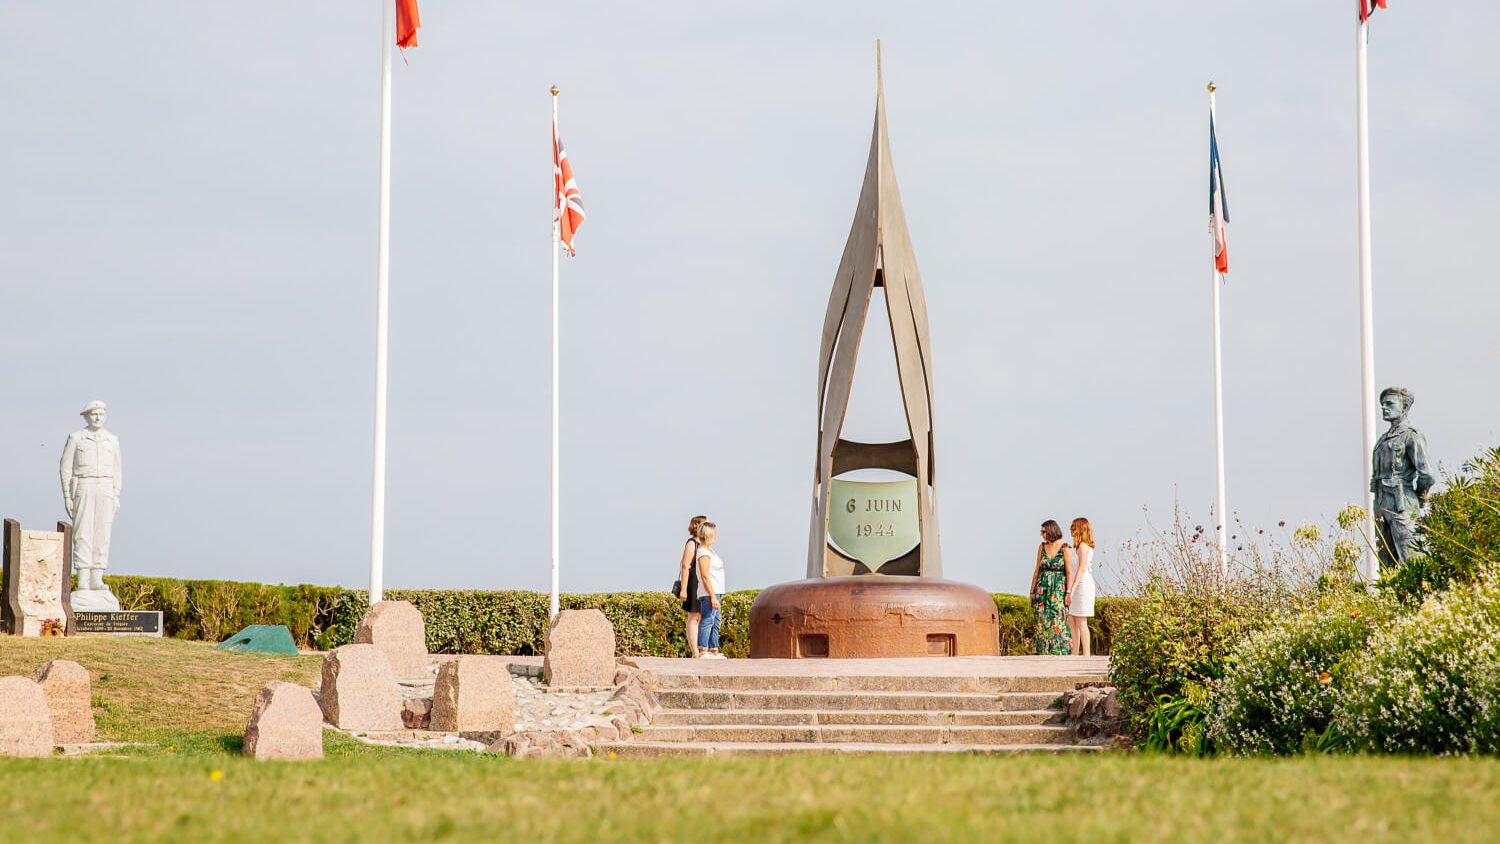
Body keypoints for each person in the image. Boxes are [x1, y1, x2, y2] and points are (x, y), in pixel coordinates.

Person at [1028, 520, 1074, 656]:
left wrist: (1068, 592)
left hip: (1058, 589)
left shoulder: (1065, 548)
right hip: (1042, 589)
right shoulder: (1042, 547)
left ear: (1051, 530)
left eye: (1044, 532)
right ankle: (1043, 651)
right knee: (1042, 619)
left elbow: (1069, 572)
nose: (1042, 535)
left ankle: (1060, 651)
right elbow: (1037, 569)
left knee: (1058, 618)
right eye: (1041, 532)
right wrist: (1031, 591)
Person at [695, 520, 727, 659]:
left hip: (717, 591)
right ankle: (703, 650)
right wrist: (712, 595)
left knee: (716, 621)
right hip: (709, 592)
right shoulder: (703, 552)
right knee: (708, 620)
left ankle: (713, 650)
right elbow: (704, 576)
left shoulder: (709, 550)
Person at [678, 515, 708, 657]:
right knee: (694, 617)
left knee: (703, 617)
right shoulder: (692, 544)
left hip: (703, 583)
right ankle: (695, 652)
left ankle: (703, 649)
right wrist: (683, 589)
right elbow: (685, 566)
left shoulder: (704, 545)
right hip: (693, 583)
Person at [1067, 517, 1097, 657]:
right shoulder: (1078, 547)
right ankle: (1074, 652)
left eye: (1074, 527)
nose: (1071, 529)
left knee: (1081, 620)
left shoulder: (1084, 547)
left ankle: (1086, 654)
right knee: (1072, 618)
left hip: (1083, 584)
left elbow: (1082, 568)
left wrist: (1072, 589)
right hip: (1077, 583)